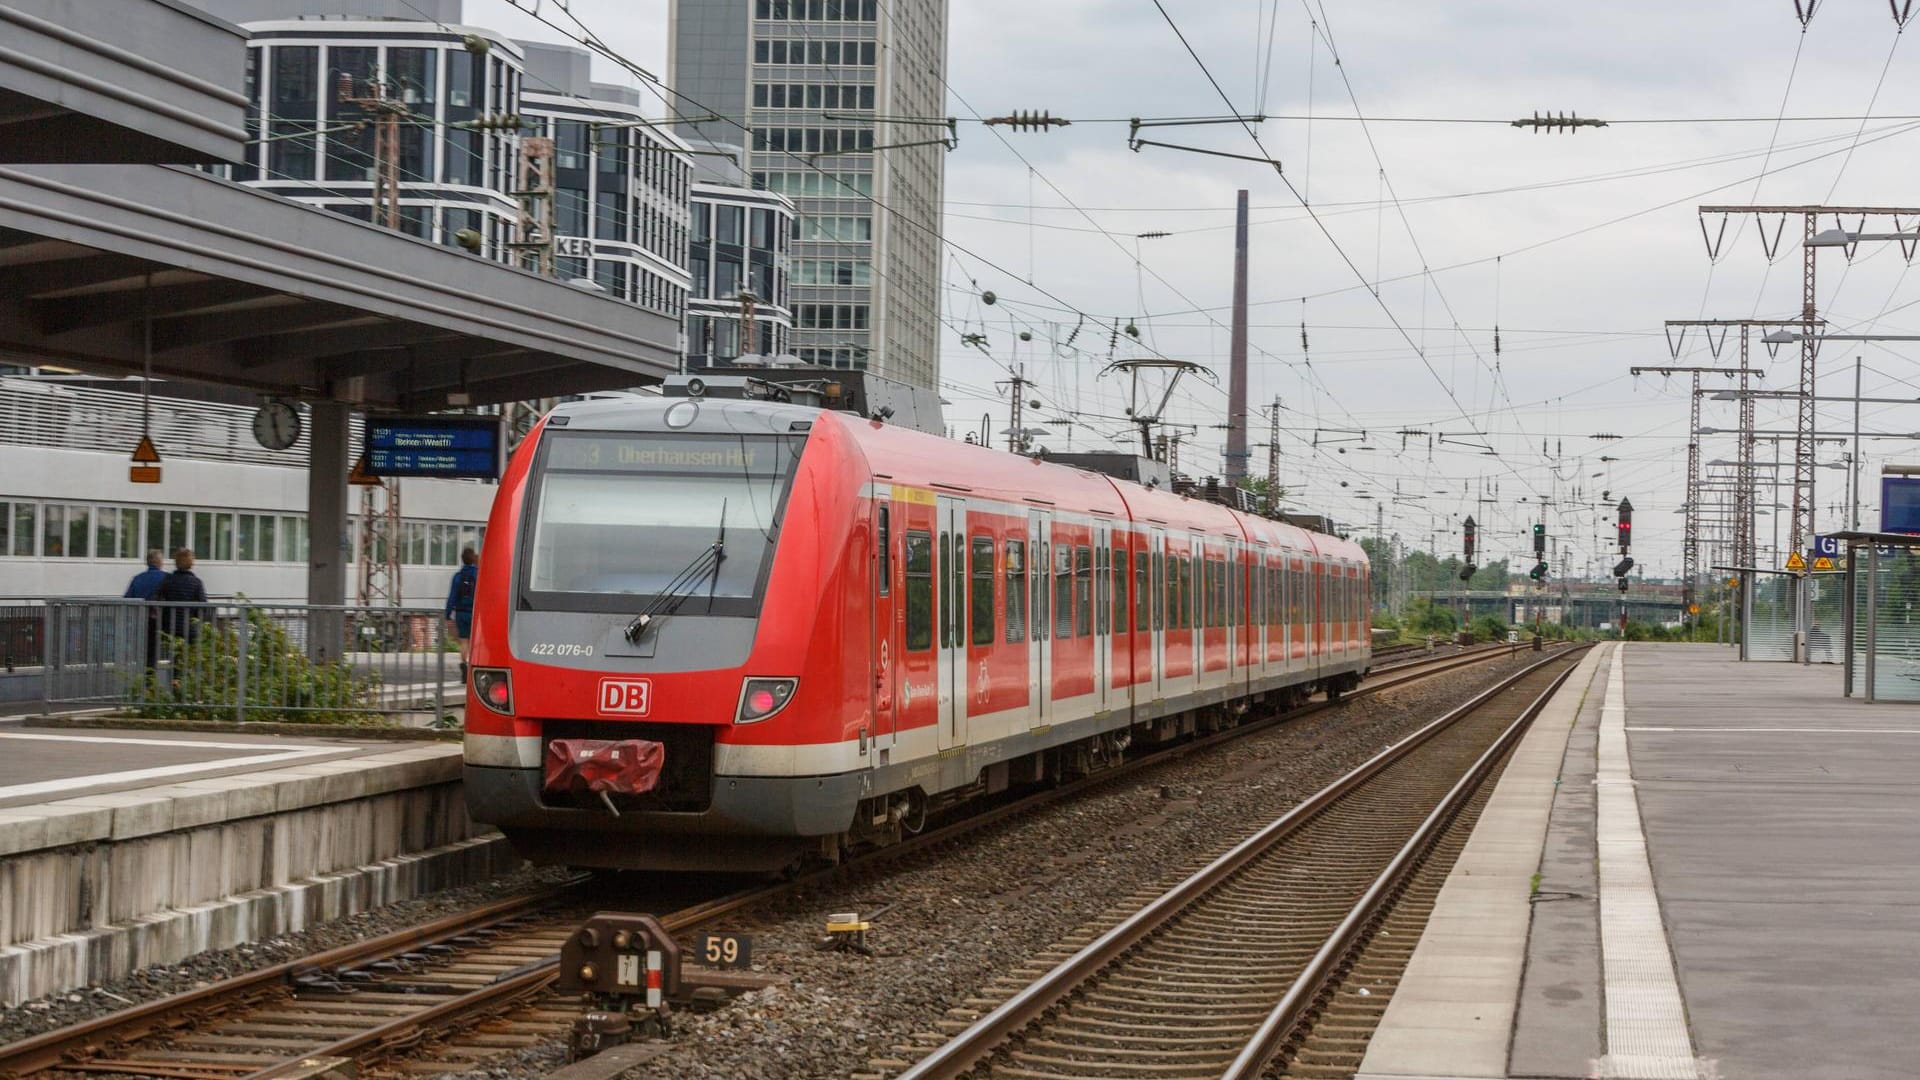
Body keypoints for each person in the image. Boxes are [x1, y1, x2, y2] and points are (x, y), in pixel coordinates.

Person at [125, 549, 168, 671]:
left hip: (140, 620)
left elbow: (127, 598)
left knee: (144, 652)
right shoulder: (166, 578)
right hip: (161, 621)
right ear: (160, 562)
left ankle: (145, 682)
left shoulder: (137, 579)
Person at [157, 548, 211, 643]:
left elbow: (157, 599)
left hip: (169, 628)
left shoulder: (167, 581)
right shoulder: (196, 582)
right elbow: (203, 607)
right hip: (189, 629)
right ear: (191, 563)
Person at [446, 546, 478, 677]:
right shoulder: (478, 574)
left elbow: (452, 596)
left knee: (464, 641)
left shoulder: (458, 576)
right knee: (475, 641)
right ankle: (472, 666)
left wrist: (447, 614)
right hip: (475, 613)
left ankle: (464, 663)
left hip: (460, 613)